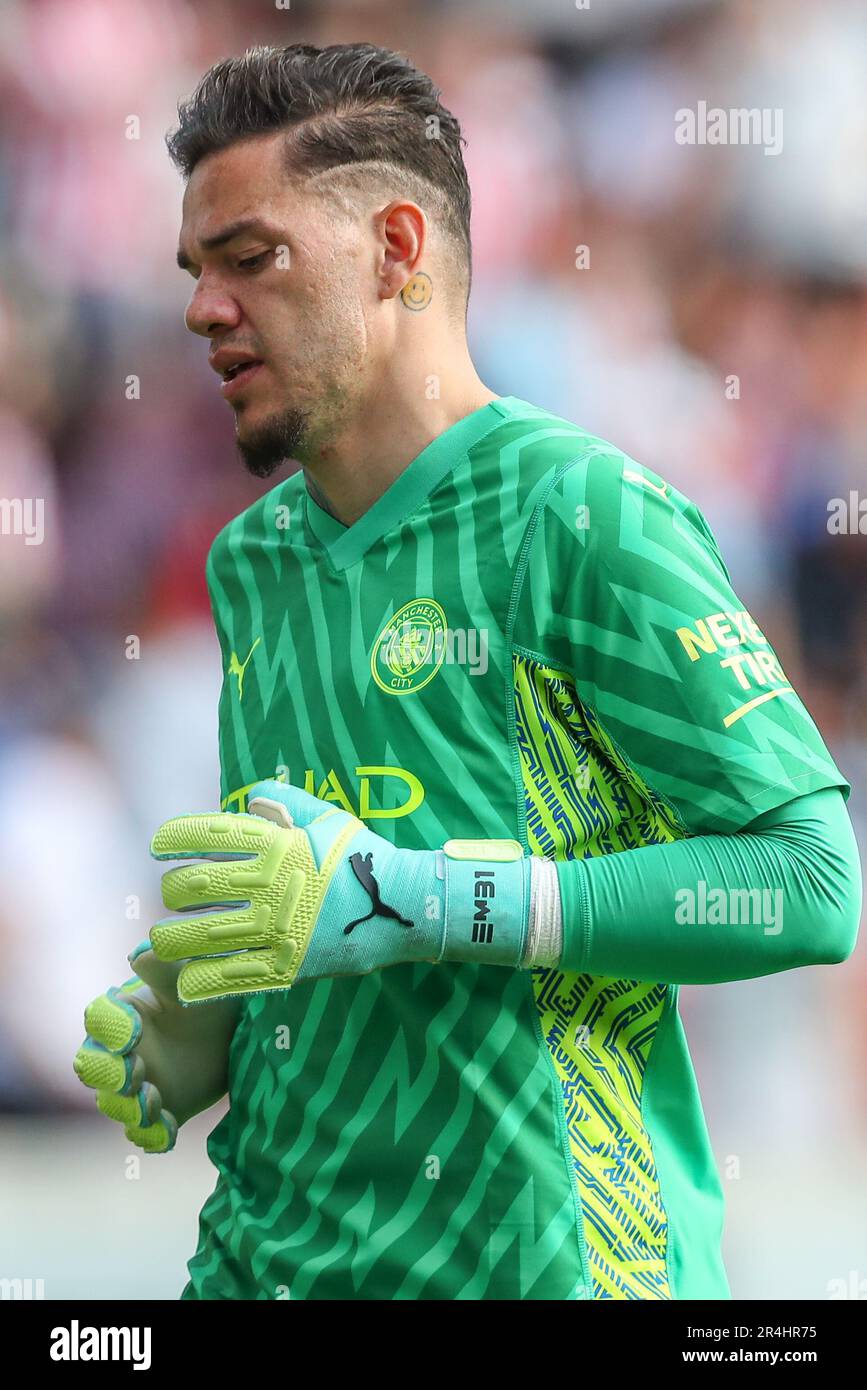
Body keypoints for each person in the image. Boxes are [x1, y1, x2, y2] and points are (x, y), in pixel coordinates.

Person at [75, 43, 861, 1301]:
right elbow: (321, 896)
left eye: (251, 258)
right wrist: (205, 1023)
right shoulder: (248, 563)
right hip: (265, 1266)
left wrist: (415, 898)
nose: (200, 309)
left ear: (397, 248)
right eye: (194, 270)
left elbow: (810, 885)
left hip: (544, 1268)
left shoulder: (584, 512)